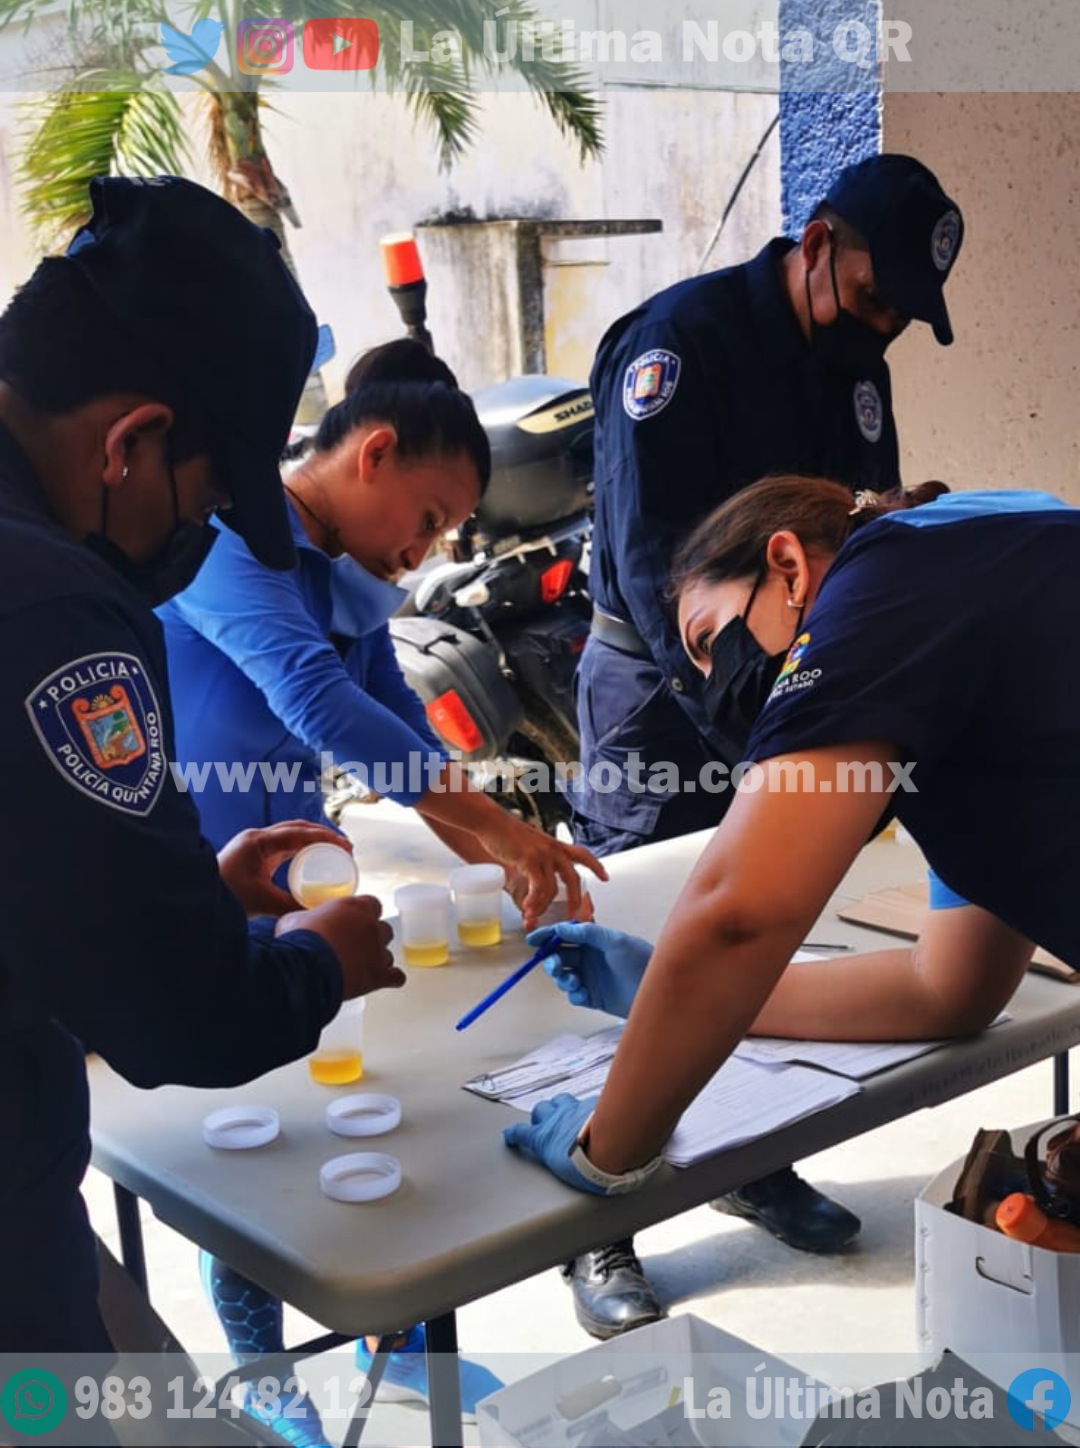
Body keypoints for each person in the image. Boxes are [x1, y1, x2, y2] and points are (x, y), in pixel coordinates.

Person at [157, 339, 605, 1444]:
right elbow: (315, 702)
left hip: (290, 863)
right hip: (189, 860)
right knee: (239, 1115)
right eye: (433, 512)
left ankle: (387, 1330)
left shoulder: (342, 576)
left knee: (336, 1086)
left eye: (448, 532)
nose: (429, 547)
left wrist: (503, 847)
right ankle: (259, 1357)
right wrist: (497, 827)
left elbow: (392, 719)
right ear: (373, 452)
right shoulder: (234, 538)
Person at [0, 176, 403, 1362]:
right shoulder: (53, 601)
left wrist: (182, 886)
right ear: (129, 443)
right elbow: (178, 1017)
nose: (200, 533)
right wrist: (315, 967)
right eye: (209, 495)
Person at [563, 152, 965, 1337]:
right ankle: (598, 1219)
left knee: (767, 922)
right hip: (661, 684)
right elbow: (651, 570)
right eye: (872, 290)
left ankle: (746, 1155)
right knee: (654, 933)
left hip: (787, 682)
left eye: (902, 309)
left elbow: (875, 534)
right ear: (816, 240)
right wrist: (751, 733)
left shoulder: (856, 366)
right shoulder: (680, 348)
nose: (882, 323)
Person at [505, 479, 1074, 1208]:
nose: (721, 692)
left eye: (709, 640)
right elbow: (948, 988)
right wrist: (661, 991)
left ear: (790, 568)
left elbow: (737, 915)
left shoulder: (888, 578)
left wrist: (606, 1149)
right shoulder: (972, 634)